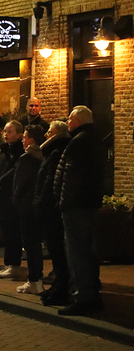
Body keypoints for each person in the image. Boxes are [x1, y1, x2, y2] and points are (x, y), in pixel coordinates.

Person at [53, 106, 104, 316]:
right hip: (89, 203)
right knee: (88, 249)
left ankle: (84, 297)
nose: (67, 122)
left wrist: (64, 202)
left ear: (79, 121)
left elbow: (71, 176)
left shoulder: (79, 142)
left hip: (76, 206)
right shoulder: (95, 140)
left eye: (70, 119)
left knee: (77, 252)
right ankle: (92, 292)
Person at [34, 120, 72, 306]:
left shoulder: (56, 152)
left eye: (49, 131)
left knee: (57, 249)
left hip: (51, 208)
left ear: (56, 133)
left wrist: (40, 202)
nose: (46, 135)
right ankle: (58, 286)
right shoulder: (53, 151)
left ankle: (61, 288)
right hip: (50, 206)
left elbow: (50, 181)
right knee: (55, 249)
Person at [0, 120, 26, 279]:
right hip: (2, 197)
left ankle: (14, 264)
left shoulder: (19, 152)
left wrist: (1, 183)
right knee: (6, 231)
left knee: (13, 232)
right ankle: (8, 263)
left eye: (10, 132)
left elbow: (15, 170)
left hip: (11, 196)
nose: (6, 134)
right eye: (5, 131)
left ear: (19, 134)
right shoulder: (4, 150)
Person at [12, 125, 45, 294]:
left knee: (30, 245)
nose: (23, 140)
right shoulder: (43, 156)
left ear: (31, 139)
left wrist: (15, 201)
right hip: (37, 205)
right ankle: (37, 278)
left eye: (24, 137)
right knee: (35, 244)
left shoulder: (26, 158)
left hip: (26, 206)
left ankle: (34, 280)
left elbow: (20, 183)